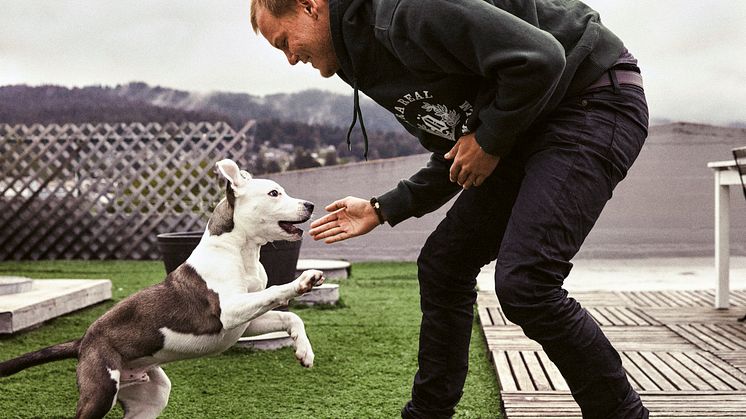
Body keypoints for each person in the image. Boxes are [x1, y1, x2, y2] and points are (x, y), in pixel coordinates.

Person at [251, 0, 650, 417]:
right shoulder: (360, 56)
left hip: (591, 96)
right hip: (529, 118)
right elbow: (458, 148)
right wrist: (382, 207)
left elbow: (542, 58)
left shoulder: (407, 10)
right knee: (444, 265)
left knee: (526, 283)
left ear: (309, 6)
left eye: (284, 42)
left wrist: (490, 139)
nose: (291, 58)